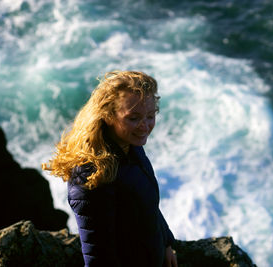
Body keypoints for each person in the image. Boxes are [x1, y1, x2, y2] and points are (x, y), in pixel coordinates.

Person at [42, 71, 178, 267]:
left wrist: (166, 243)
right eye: (134, 118)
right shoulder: (91, 176)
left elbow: (146, 204)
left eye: (150, 115)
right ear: (107, 115)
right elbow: (98, 256)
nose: (145, 126)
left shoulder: (130, 147)